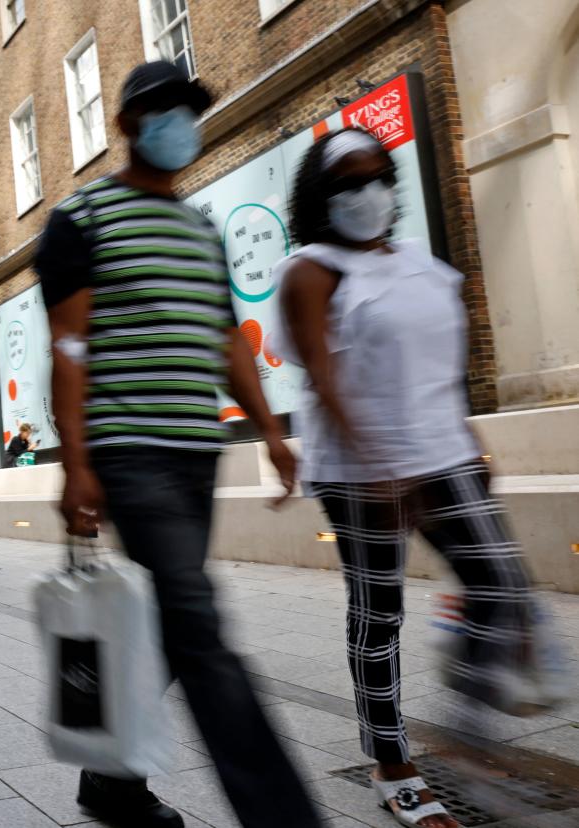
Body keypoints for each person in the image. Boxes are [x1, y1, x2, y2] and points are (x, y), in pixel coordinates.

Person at [39, 60, 322, 828]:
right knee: (200, 624)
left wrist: (271, 429)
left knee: (171, 618)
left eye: (188, 111)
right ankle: (283, 813)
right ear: (129, 124)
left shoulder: (198, 227)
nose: (180, 125)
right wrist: (78, 468)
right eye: (163, 112)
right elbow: (70, 346)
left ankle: (110, 781)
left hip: (197, 450)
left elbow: (228, 337)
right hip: (129, 451)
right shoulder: (80, 220)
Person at [276, 126, 545, 828]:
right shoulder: (311, 269)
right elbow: (321, 370)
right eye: (348, 183)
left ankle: (468, 742)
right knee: (379, 614)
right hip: (360, 466)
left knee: (502, 582)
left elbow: (439, 368)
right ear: (322, 196)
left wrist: (472, 438)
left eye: (376, 177)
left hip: (443, 451)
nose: (366, 193)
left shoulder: (423, 267)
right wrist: (373, 460)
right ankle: (393, 766)